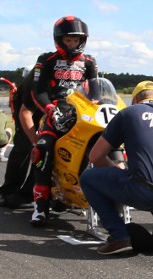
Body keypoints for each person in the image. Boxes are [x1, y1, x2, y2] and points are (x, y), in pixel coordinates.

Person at [79, 81, 153, 256]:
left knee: (88, 178)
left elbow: (95, 157)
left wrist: (116, 169)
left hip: (141, 192)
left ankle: (119, 235)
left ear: (136, 99)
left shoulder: (128, 113)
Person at [29, 15, 99, 227]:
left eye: (76, 40)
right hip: (54, 114)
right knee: (43, 148)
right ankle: (40, 207)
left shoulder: (89, 62)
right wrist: (50, 109)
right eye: (68, 40)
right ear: (60, 40)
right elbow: (37, 91)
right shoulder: (45, 59)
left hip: (81, 114)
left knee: (101, 145)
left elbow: (96, 91)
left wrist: (97, 105)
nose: (72, 44)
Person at [0, 67, 39, 208]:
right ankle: (8, 192)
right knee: (23, 148)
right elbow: (23, 110)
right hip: (29, 112)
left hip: (53, 112)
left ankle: (35, 192)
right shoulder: (32, 83)